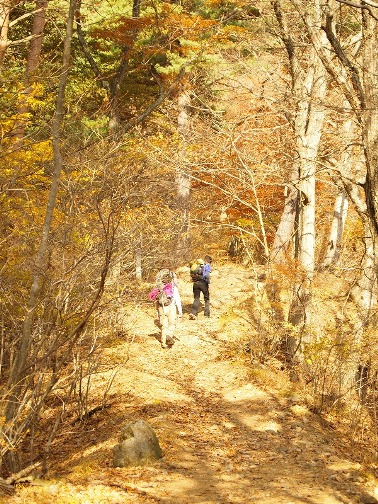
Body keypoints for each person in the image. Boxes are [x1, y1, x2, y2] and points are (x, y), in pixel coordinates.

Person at [154, 268, 181, 348]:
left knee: (163, 326)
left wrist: (157, 311)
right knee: (172, 323)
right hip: (170, 306)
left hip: (161, 307)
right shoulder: (172, 287)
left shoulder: (158, 286)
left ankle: (163, 343)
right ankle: (169, 335)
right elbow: (177, 299)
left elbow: (153, 298)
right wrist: (180, 311)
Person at [189, 255, 212, 319]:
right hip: (203, 283)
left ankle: (193, 313)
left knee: (196, 299)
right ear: (209, 261)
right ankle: (206, 314)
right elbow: (207, 275)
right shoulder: (207, 266)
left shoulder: (197, 266)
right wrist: (208, 282)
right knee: (206, 299)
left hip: (196, 284)